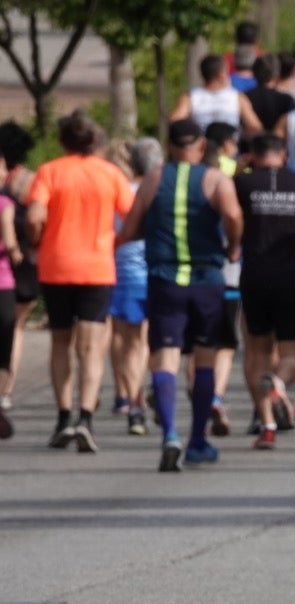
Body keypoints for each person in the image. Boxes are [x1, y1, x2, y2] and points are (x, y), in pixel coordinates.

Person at [116, 118, 243, 472]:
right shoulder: (215, 179)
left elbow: (129, 228)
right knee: (204, 358)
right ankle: (197, 441)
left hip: (165, 278)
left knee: (166, 357)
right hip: (206, 278)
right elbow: (233, 214)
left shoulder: (154, 179)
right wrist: (233, 245)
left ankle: (170, 434)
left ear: (170, 146)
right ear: (201, 145)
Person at [26, 109, 134, 452]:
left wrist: (37, 239)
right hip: (96, 267)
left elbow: (34, 215)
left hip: (56, 265)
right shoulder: (110, 174)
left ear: (62, 141)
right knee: (90, 346)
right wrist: (115, 242)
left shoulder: (49, 171)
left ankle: (63, 417)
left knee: (61, 341)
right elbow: (133, 216)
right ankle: (85, 418)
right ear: (94, 140)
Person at [234, 132, 295, 449]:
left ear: (253, 155)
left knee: (257, 352)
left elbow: (229, 214)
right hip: (291, 279)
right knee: (290, 353)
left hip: (254, 276)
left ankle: (267, 424)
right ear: (284, 154)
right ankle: (279, 382)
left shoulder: (242, 183)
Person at [106, 137, 164, 437]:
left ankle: (125, 394)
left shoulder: (118, 190)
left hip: (116, 267)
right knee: (141, 340)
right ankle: (136, 398)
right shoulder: (157, 192)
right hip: (147, 269)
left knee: (120, 335)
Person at [0, 121, 37, 412]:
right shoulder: (30, 181)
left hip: (9, 259)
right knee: (17, 325)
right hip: (25, 258)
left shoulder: (5, 184)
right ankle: (7, 388)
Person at [170, 54, 263, 135]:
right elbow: (255, 127)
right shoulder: (237, 97)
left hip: (202, 146)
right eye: (227, 72)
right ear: (221, 74)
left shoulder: (190, 97)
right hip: (228, 147)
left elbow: (174, 122)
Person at [0, 162, 22, 439]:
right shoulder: (5, 204)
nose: (5, 173)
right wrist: (18, 254)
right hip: (2, 284)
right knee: (3, 348)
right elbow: (10, 241)